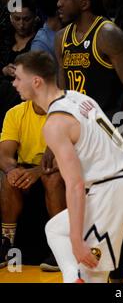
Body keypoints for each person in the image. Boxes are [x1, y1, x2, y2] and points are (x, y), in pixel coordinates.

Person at [12, 50, 123, 283]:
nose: (13, 83)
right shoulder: (78, 97)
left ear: (36, 81)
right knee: (55, 229)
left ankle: (79, 278)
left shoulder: (55, 124)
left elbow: (74, 184)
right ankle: (74, 278)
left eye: (18, 78)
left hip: (112, 190)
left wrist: (77, 241)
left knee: (93, 272)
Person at [56, 0, 123, 127]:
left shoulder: (107, 34)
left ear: (84, 4)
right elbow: (62, 93)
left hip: (106, 129)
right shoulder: (61, 38)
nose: (59, 3)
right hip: (77, 129)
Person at [0, 100, 66, 271]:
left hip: (61, 167)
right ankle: (6, 243)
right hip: (28, 167)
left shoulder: (65, 112)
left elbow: (70, 154)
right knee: (10, 180)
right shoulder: (15, 112)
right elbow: (4, 153)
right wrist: (11, 171)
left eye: (21, 79)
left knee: (52, 178)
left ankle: (61, 247)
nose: (15, 84)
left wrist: (38, 172)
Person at [0, 0, 38, 130]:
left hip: (22, 103)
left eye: (26, 19)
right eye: (17, 19)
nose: (21, 24)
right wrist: (3, 70)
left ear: (34, 18)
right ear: (10, 18)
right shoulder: (4, 39)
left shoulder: (38, 42)